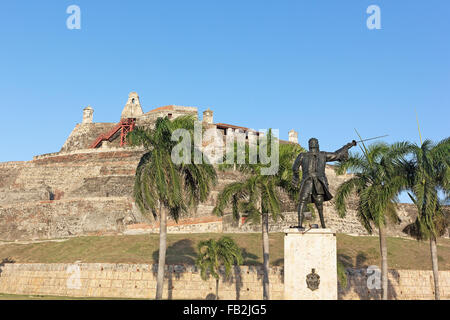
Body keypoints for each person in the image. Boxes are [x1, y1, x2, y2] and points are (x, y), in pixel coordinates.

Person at [291, 138, 356, 229]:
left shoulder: (303, 155)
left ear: (309, 145)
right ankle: (322, 225)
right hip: (317, 182)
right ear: (317, 145)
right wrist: (347, 146)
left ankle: (300, 225)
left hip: (308, 181)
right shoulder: (323, 155)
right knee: (318, 204)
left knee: (303, 201)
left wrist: (296, 178)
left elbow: (295, 168)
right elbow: (337, 155)